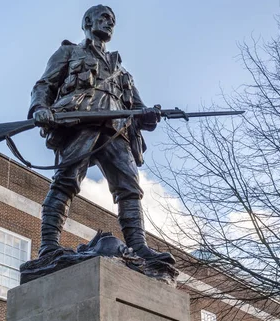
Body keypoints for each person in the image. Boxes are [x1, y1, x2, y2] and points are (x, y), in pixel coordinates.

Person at [29, 4, 174, 263]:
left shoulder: (121, 69)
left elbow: (139, 111)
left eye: (113, 21)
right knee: (66, 180)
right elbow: (44, 84)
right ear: (88, 22)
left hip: (118, 130)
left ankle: (138, 247)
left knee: (129, 188)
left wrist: (150, 115)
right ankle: (49, 246)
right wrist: (40, 107)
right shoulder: (69, 52)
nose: (110, 23)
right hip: (81, 123)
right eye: (105, 18)